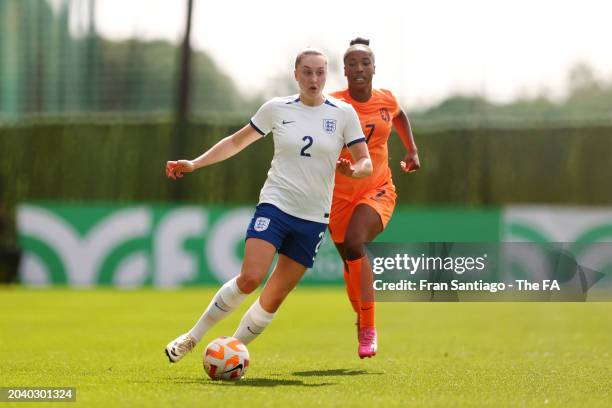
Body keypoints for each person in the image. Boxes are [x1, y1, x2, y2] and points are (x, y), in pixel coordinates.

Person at [164, 48, 372, 363]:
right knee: (250, 278)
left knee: (273, 297)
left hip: (314, 218)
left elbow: (365, 161)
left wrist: (354, 171)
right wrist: (194, 164)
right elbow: (236, 141)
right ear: (296, 75)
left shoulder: (343, 113)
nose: (313, 79)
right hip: (275, 206)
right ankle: (192, 337)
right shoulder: (277, 108)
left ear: (326, 75)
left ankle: (228, 353)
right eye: (307, 72)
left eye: (319, 72)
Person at [328, 38, 420, 359]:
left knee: (355, 243)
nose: (358, 68)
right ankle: (362, 316)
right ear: (344, 70)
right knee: (350, 262)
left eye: (364, 62)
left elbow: (400, 115)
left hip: (377, 189)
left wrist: (412, 150)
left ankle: (368, 328)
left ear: (374, 68)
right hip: (338, 197)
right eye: (352, 63)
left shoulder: (386, 100)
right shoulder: (332, 104)